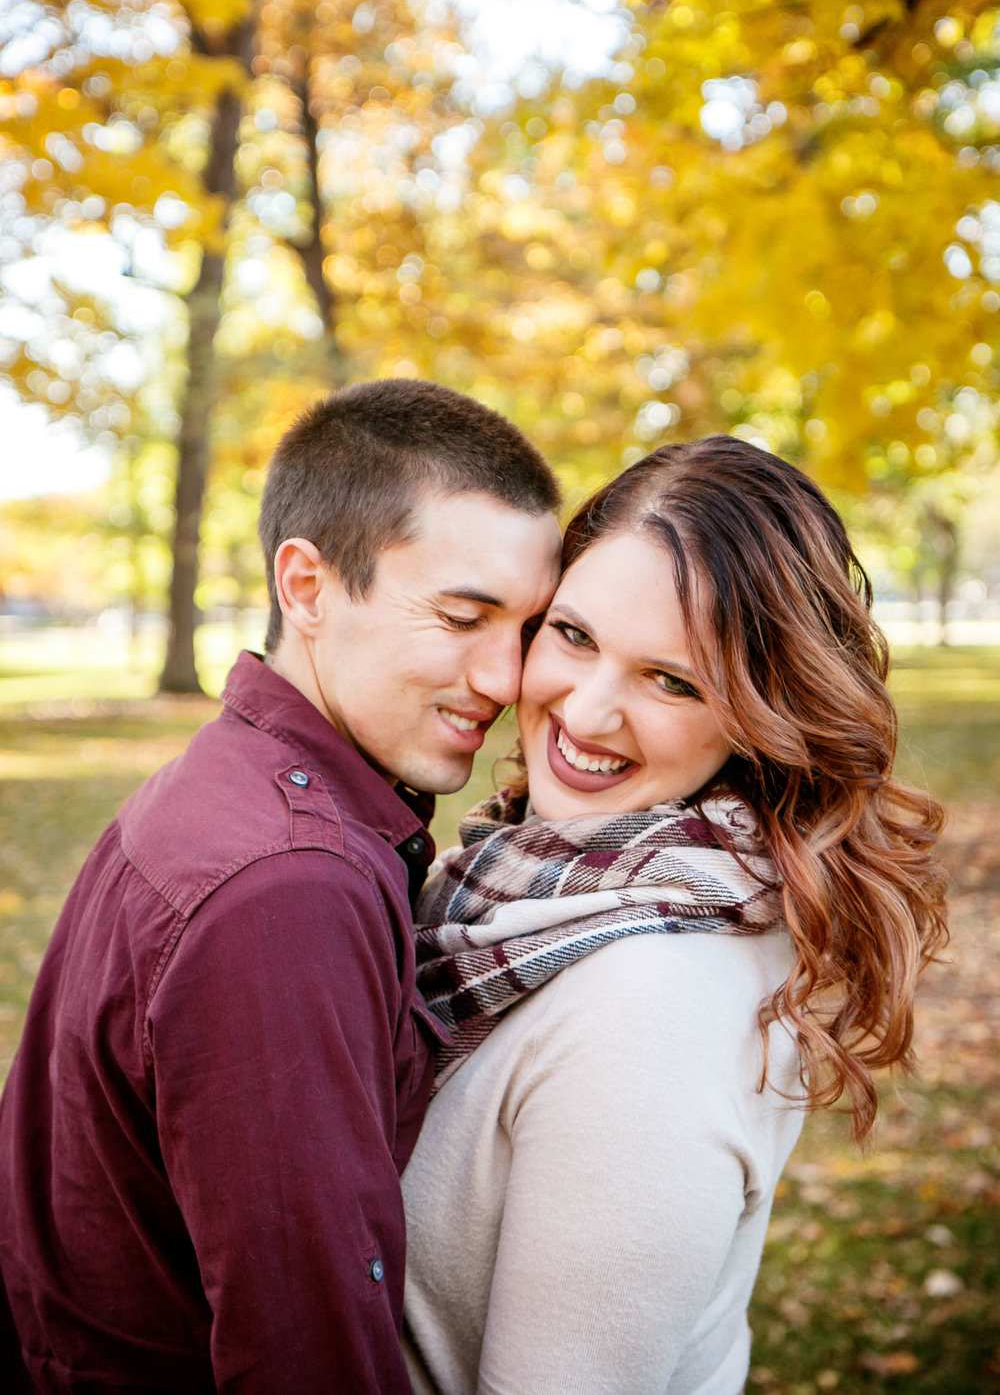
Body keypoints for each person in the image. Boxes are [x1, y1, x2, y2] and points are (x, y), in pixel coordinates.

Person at [0, 378, 562, 1394]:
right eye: (461, 615)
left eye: (524, 628)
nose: (504, 679)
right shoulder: (286, 887)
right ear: (304, 587)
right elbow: (304, 1349)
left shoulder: (236, 788)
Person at [402, 435, 947, 1395]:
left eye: (673, 681)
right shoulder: (519, 891)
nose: (589, 713)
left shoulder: (648, 1015)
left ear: (756, 717)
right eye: (573, 635)